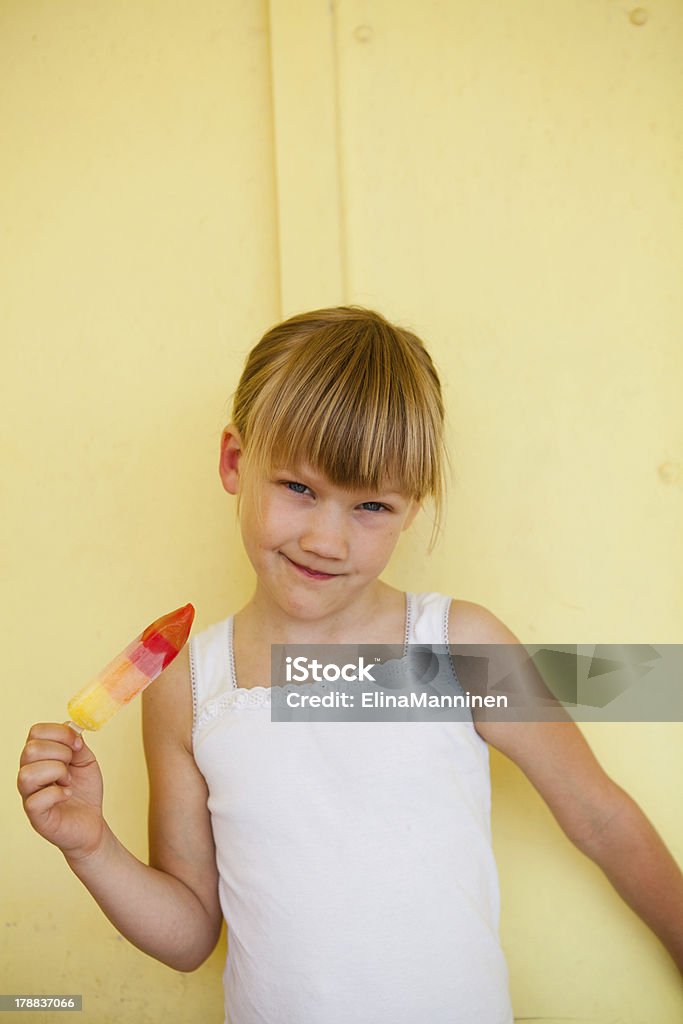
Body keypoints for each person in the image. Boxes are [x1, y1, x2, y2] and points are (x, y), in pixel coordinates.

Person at [18, 306, 683, 1023]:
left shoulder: (456, 647)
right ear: (235, 462)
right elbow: (188, 936)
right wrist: (90, 847)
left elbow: (601, 819)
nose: (326, 539)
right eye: (298, 489)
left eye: (369, 505)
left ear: (411, 508)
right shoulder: (186, 685)